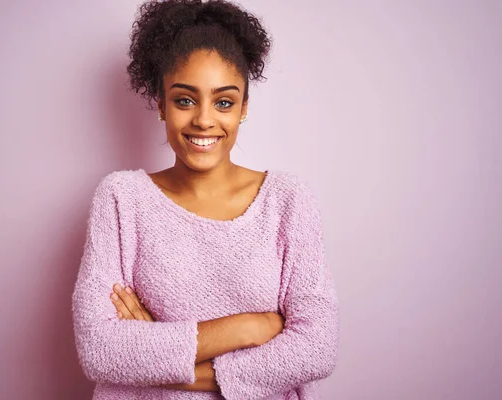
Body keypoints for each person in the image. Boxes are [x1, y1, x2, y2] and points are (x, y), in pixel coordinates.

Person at [71, 0, 339, 399]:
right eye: (184, 99)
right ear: (161, 104)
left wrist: (154, 349)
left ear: (243, 108)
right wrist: (245, 329)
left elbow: (316, 348)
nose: (204, 120)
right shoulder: (122, 200)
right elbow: (99, 348)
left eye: (224, 101)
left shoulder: (287, 202)